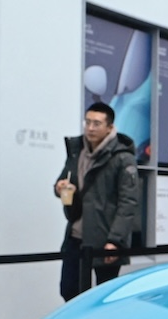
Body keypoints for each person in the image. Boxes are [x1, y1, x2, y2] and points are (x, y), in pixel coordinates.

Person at [55, 101, 140, 300]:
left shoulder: (122, 157)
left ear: (110, 127)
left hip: (106, 238)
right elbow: (63, 180)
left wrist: (115, 240)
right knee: (70, 291)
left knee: (104, 297)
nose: (90, 128)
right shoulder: (77, 151)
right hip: (76, 236)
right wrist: (60, 188)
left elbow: (128, 202)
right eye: (87, 122)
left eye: (96, 123)